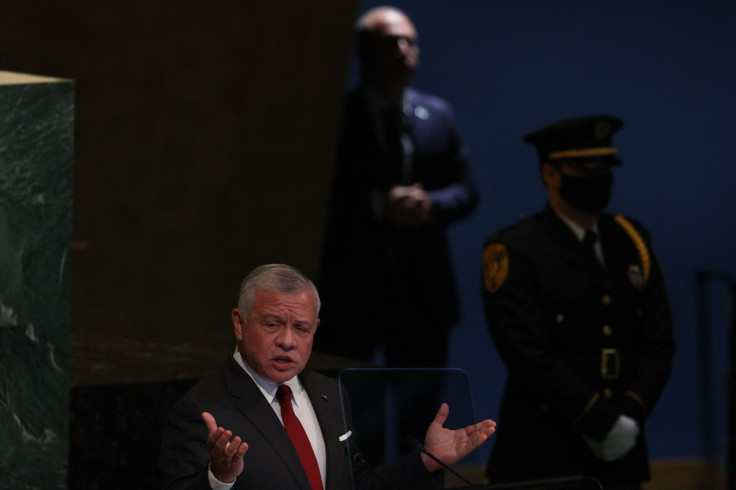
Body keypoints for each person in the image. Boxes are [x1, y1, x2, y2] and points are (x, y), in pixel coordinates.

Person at [160, 263, 496, 490]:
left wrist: (427, 460)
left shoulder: (330, 393)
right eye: (272, 324)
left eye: (301, 328)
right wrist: (219, 479)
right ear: (239, 323)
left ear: (315, 329)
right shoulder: (202, 409)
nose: (288, 341)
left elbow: (355, 482)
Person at [480, 115, 674, 489]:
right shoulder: (515, 249)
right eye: (585, 167)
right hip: (544, 451)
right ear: (551, 174)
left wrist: (630, 416)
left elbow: (659, 342)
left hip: (623, 448)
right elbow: (528, 354)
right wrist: (597, 419)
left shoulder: (632, 240)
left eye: (605, 167)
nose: (599, 177)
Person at [316, 6, 478, 370]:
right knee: (342, 407)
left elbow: (467, 191)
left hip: (423, 294)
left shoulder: (437, 116)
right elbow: (314, 194)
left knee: (422, 417)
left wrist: (428, 205)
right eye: (391, 42)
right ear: (364, 51)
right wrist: (377, 204)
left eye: (411, 42)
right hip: (351, 291)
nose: (404, 50)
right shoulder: (337, 115)